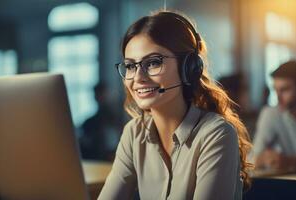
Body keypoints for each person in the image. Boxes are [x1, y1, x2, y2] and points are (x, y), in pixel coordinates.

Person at [98, 10, 252, 200]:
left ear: (188, 67)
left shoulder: (216, 134)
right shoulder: (134, 133)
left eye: (153, 63)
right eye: (130, 66)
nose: (138, 78)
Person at [252, 60, 296, 171]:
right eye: (276, 90)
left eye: (284, 89)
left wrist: (291, 161)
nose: (278, 97)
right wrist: (263, 159)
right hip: (284, 185)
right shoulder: (270, 114)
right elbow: (251, 159)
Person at [79, 82, 122, 161]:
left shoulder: (115, 119)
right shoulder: (89, 122)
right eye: (98, 94)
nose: (100, 97)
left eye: (102, 94)